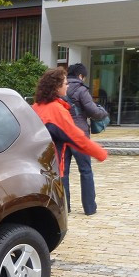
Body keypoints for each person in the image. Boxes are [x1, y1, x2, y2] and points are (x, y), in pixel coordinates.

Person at [31, 68, 107, 214]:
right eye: (65, 83)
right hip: (52, 165)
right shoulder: (56, 110)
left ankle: (66, 208)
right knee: (82, 172)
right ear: (56, 86)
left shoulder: (36, 107)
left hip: (40, 164)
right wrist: (100, 153)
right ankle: (85, 208)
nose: (68, 86)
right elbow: (76, 138)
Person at [65, 63, 109, 215]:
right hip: (79, 135)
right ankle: (89, 208)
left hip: (61, 134)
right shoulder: (81, 89)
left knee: (63, 172)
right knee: (85, 171)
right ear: (80, 76)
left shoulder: (59, 89)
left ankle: (65, 207)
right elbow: (93, 111)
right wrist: (103, 113)